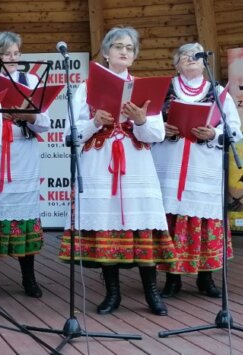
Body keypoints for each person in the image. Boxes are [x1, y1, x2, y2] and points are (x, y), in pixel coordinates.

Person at [59, 27, 174, 316]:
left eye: (130, 48)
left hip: (136, 165)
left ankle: (151, 293)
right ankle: (113, 294)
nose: (124, 51)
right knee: (106, 225)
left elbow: (157, 135)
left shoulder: (145, 87)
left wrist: (140, 121)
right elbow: (70, 136)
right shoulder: (87, 87)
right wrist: (95, 122)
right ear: (106, 52)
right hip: (100, 163)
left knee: (143, 224)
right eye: (118, 46)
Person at [151, 43, 241, 299]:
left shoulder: (218, 92)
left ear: (205, 63)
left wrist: (215, 133)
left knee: (204, 220)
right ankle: (172, 278)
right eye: (184, 56)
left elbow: (235, 129)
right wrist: (161, 128)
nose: (191, 59)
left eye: (197, 56)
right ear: (176, 63)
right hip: (169, 166)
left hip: (204, 167)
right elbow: (145, 122)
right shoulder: (164, 89)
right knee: (172, 221)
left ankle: (206, 278)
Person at [0, 31, 47, 298]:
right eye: (5, 53)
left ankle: (29, 278)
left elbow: (44, 122)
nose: (12, 58)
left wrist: (27, 115)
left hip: (23, 152)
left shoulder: (31, 80)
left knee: (24, 214)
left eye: (16, 53)